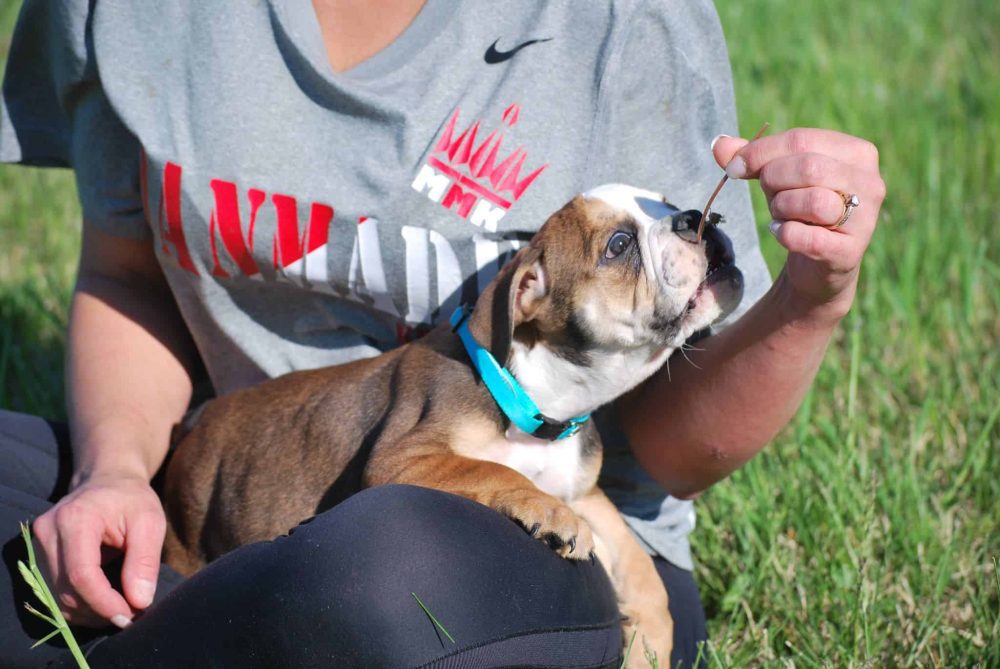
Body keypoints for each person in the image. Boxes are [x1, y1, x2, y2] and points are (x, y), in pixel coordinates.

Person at [0, 0, 885, 667]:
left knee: (378, 580)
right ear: (528, 292)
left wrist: (814, 295)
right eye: (623, 244)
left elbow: (652, 458)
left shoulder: (627, 23)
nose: (673, 239)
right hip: (221, 467)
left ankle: (147, 629)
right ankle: (179, 617)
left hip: (439, 573)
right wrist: (110, 475)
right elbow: (124, 275)